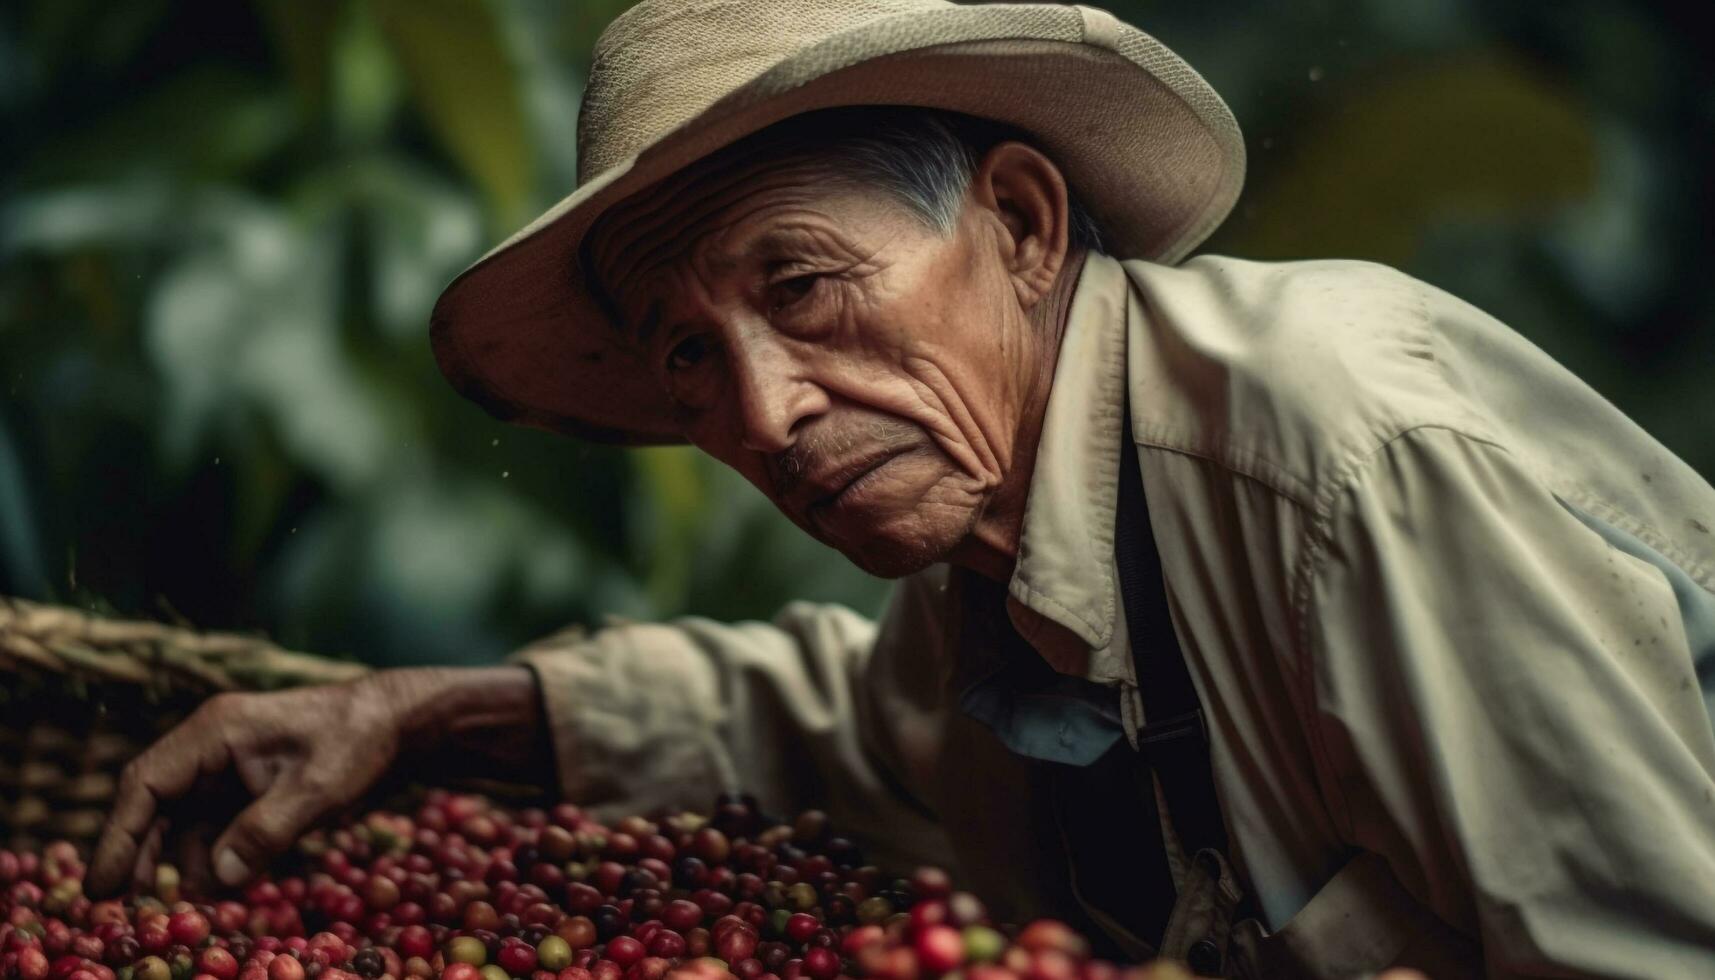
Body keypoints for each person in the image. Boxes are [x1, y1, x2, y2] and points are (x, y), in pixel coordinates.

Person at [86, 1, 1715, 976]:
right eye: (685, 359)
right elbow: (851, 732)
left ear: (1020, 224)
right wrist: (435, 716)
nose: (765, 413)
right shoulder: (1010, 554)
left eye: (800, 287)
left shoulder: (1344, 462)